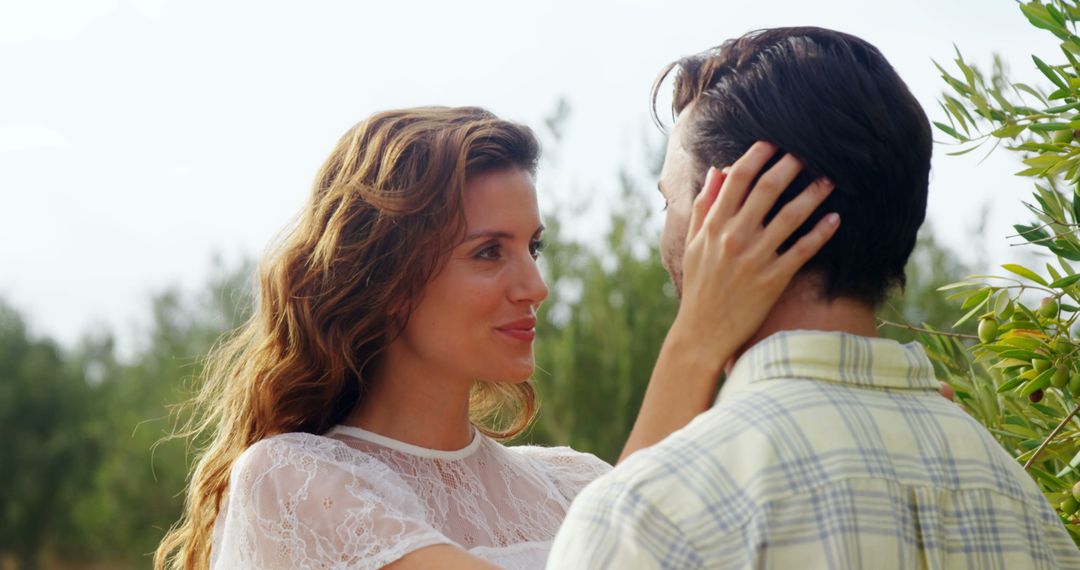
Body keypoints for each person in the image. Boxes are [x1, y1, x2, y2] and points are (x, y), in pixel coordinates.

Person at [153, 106, 837, 569]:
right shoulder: (294, 480)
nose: (534, 286)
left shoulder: (574, 484)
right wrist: (699, 340)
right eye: (488, 252)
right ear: (387, 280)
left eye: (531, 247)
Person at [548, 27, 1080, 569]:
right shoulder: (1018, 500)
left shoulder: (648, 517)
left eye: (669, 203)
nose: (663, 235)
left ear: (732, 209)